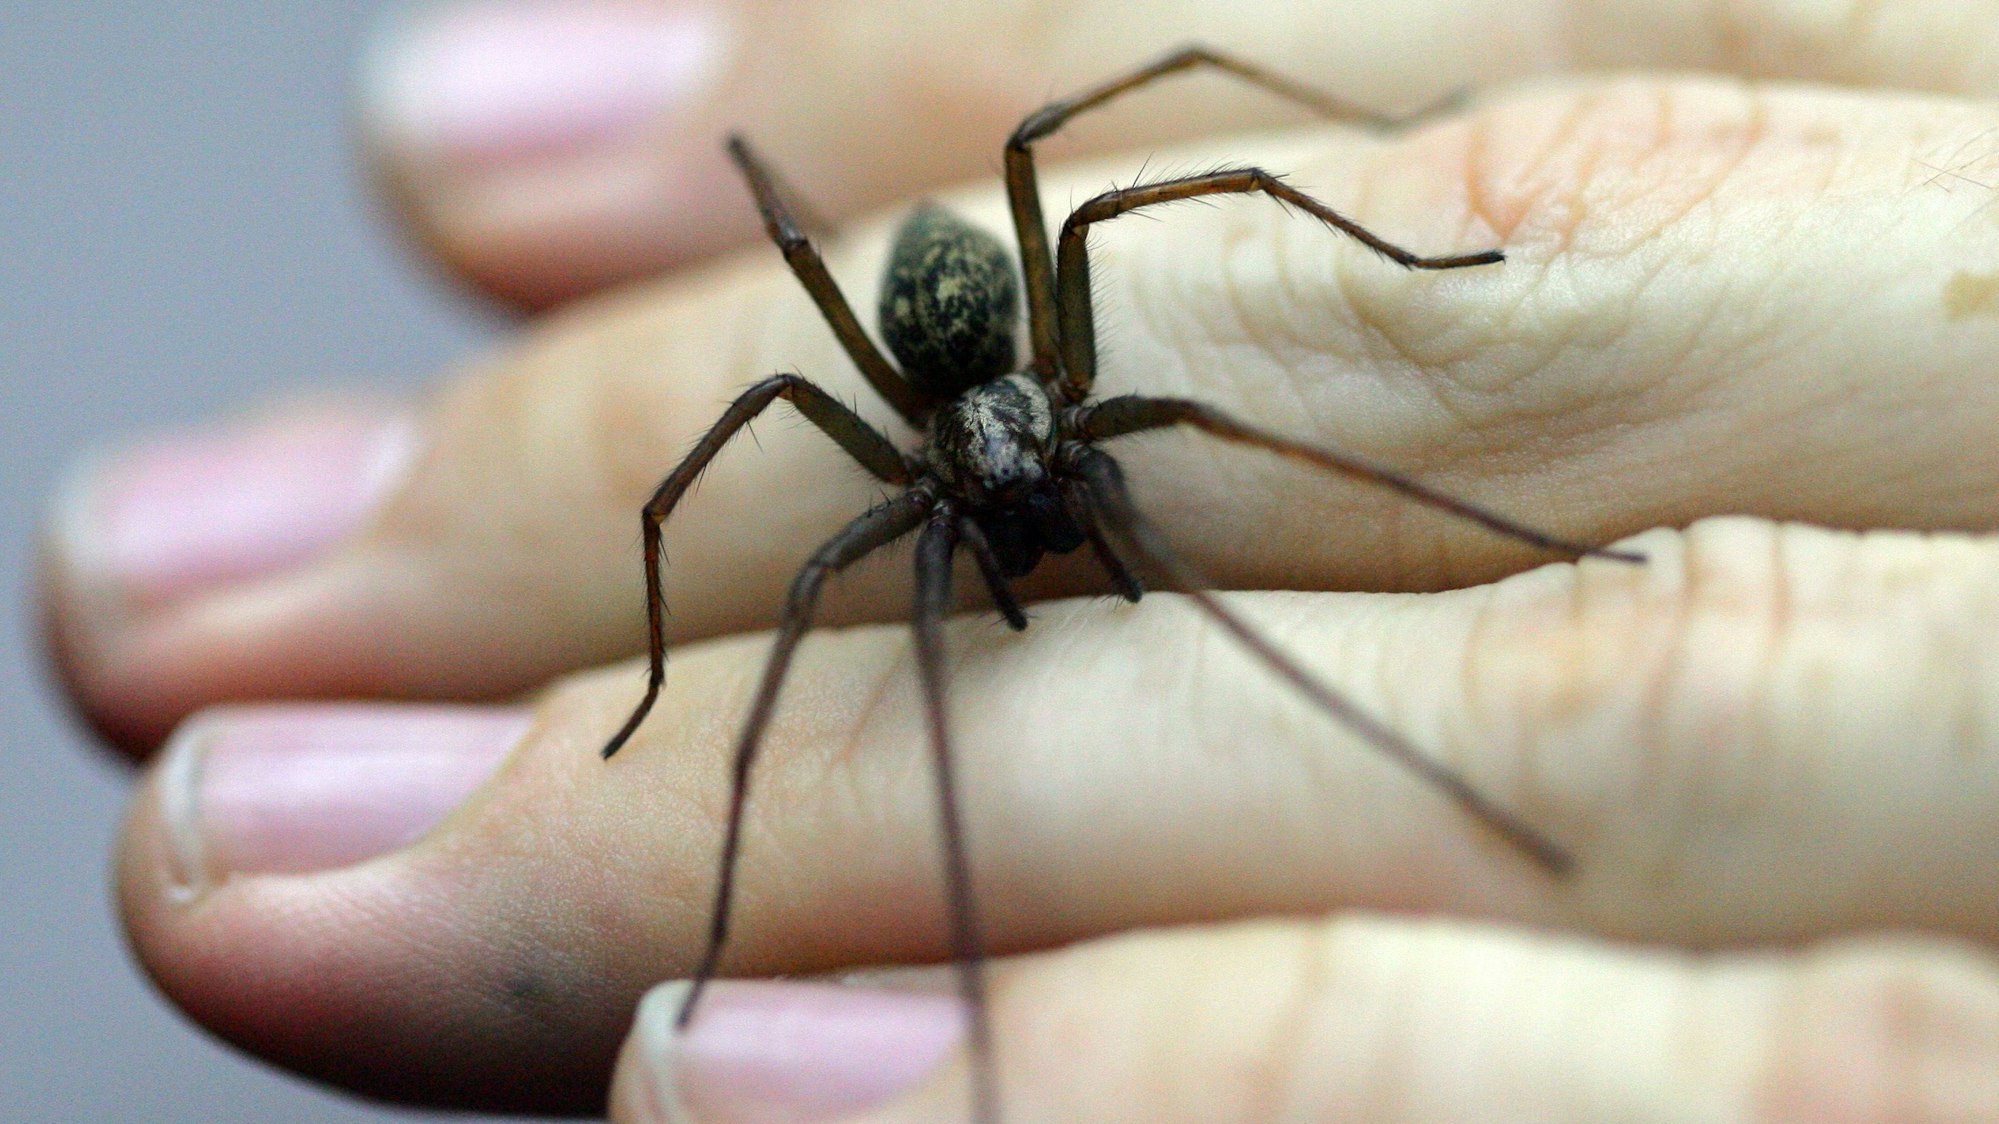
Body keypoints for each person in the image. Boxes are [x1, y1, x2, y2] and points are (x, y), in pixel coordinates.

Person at [40, 1, 1999, 1120]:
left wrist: (1425, 262)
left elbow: (1167, 153)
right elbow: (700, 506)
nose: (1020, 499)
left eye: (1026, 464)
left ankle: (1515, 582)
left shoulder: (1072, 393)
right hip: (928, 341)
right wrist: (665, 703)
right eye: (990, 479)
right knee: (818, 596)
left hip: (993, 329)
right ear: (945, 452)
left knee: (1145, 240)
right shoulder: (900, 471)